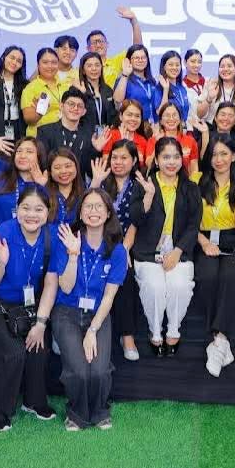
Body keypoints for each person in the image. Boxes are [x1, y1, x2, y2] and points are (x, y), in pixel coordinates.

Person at [0, 186, 59, 431]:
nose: (32, 214)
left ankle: (34, 401)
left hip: (24, 302)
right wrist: (1, 262)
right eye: (25, 208)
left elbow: (51, 283)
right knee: (13, 353)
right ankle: (0, 410)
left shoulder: (52, 236)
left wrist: (40, 324)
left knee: (39, 345)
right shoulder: (1, 233)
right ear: (17, 210)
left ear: (48, 212)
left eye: (38, 209)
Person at [49, 189, 129, 430]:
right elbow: (65, 286)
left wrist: (93, 330)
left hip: (98, 314)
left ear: (108, 213)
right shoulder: (67, 241)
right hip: (67, 311)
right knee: (79, 371)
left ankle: (100, 410)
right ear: (80, 213)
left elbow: (109, 296)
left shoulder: (117, 251)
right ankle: (77, 413)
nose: (93, 211)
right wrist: (73, 255)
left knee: (99, 371)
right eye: (88, 206)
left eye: (99, 206)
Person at [131, 137, 201, 356]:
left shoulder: (190, 188)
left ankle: (173, 329)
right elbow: (136, 219)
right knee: (155, 287)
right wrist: (149, 196)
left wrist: (178, 251)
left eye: (176, 157)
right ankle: (155, 331)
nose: (171, 162)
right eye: (166, 157)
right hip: (148, 251)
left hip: (179, 249)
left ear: (182, 159)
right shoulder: (145, 184)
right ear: (157, 160)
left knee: (180, 286)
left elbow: (193, 225)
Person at [195, 135, 235, 377]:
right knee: (207, 277)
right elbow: (188, 221)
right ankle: (221, 342)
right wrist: (203, 243)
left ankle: (219, 340)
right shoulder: (197, 181)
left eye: (223, 154)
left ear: (233, 156)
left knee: (229, 277)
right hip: (203, 239)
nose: (218, 159)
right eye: (214, 154)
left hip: (234, 241)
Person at [91, 141, 149, 361]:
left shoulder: (140, 185)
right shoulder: (102, 182)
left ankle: (127, 336)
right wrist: (95, 183)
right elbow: (87, 210)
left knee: (124, 276)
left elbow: (136, 222)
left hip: (126, 244)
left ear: (134, 161)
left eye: (124, 158)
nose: (118, 162)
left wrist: (123, 250)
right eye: (114, 157)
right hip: (97, 241)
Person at [0, 136, 48, 226]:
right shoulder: (2, 169)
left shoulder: (44, 182)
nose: (22, 156)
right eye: (19, 151)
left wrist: (41, 187)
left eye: (29, 152)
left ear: (39, 157)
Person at [35, 88, 100, 176]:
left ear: (84, 112)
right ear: (61, 106)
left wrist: (96, 150)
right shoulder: (45, 132)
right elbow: (42, 164)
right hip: (51, 181)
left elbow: (89, 171)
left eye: (80, 106)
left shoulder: (88, 136)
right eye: (71, 104)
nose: (75, 108)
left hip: (78, 183)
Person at [86, 6, 143, 88]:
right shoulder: (83, 68)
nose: (98, 45)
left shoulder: (116, 62)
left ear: (107, 44)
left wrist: (134, 22)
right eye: (94, 43)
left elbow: (137, 49)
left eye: (101, 41)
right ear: (87, 48)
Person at [21, 47, 71, 137]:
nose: (50, 66)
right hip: (39, 138)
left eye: (54, 62)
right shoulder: (30, 88)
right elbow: (29, 120)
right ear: (38, 65)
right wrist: (40, 112)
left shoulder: (66, 85)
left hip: (63, 136)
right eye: (45, 62)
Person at [197, 53, 235, 127]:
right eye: (222, 66)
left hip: (234, 131)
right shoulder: (211, 86)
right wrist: (209, 99)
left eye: (229, 66)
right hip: (211, 131)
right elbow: (199, 115)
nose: (225, 69)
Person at [145, 102, 200, 175]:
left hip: (184, 181)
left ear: (180, 119)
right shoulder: (153, 141)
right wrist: (157, 143)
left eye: (174, 115)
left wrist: (193, 181)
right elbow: (149, 165)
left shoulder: (190, 141)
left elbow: (194, 169)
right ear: (161, 121)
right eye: (167, 115)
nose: (171, 118)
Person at [113, 44, 162, 124]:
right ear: (129, 60)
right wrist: (125, 74)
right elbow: (117, 100)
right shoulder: (124, 79)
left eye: (143, 57)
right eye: (136, 58)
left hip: (153, 126)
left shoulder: (152, 82)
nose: (140, 60)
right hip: (133, 124)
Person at [72, 51, 116, 133]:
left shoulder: (108, 90)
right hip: (84, 134)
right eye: (89, 66)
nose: (94, 69)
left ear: (101, 68)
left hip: (106, 134)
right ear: (83, 70)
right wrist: (83, 94)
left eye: (97, 65)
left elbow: (113, 114)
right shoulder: (77, 89)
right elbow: (75, 113)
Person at [44, 148, 86, 226]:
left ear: (76, 167)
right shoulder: (43, 193)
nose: (63, 171)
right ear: (50, 171)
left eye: (68, 166)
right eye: (57, 168)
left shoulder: (86, 191)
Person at [156, 50, 192, 122]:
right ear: (164, 67)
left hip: (183, 127)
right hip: (168, 127)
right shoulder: (158, 89)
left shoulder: (182, 88)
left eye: (177, 65)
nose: (174, 68)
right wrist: (166, 90)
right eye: (171, 65)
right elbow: (160, 113)